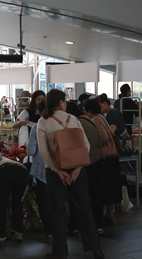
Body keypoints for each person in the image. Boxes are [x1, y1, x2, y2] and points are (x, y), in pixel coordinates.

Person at [37, 89, 104, 259]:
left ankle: (60, 252)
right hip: (77, 171)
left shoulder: (43, 122)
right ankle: (95, 248)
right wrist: (78, 169)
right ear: (60, 102)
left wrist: (57, 170)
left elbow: (43, 152)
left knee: (58, 211)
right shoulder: (74, 119)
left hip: (55, 171)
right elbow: (86, 147)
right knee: (84, 208)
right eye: (64, 101)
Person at [66, 101, 106, 235]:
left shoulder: (76, 124)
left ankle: (75, 225)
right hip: (98, 160)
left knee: (79, 196)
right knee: (97, 195)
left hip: (86, 163)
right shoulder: (89, 121)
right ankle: (99, 225)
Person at [82, 99, 113, 233]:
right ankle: (99, 223)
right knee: (98, 192)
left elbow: (104, 137)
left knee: (95, 193)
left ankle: (97, 223)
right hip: (99, 158)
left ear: (88, 110)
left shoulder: (96, 120)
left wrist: (93, 143)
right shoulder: (100, 118)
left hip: (96, 159)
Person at [96, 94, 124, 227]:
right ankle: (108, 215)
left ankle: (106, 215)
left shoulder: (111, 114)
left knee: (107, 184)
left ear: (105, 103)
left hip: (108, 156)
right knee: (112, 185)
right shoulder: (107, 115)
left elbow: (111, 132)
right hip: (113, 156)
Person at [27, 101, 53, 243]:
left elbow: (31, 151)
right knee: (55, 202)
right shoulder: (59, 125)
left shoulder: (37, 127)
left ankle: (49, 232)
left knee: (43, 203)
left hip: (41, 170)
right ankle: (58, 231)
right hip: (57, 169)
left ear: (40, 112)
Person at [0, 152, 28, 245]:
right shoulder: (13, 161)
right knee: (17, 203)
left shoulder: (0, 159)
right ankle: (18, 233)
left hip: (4, 171)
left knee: (2, 204)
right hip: (22, 172)